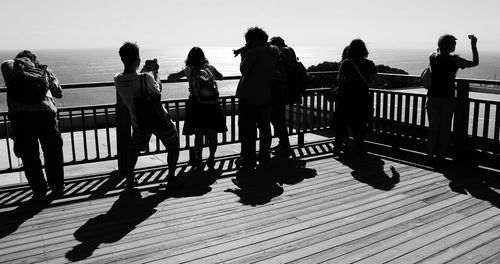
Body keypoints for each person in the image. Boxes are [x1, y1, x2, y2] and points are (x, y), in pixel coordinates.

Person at [114, 42, 181, 190]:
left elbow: (134, 80)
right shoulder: (147, 78)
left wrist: (145, 72)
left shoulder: (118, 79)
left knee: (133, 149)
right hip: (158, 119)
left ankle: (130, 179)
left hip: (139, 121)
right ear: (138, 59)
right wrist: (155, 72)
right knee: (173, 144)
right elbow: (158, 90)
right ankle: (171, 176)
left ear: (122, 59)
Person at [1, 50, 65, 202]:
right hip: (45, 113)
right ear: (33, 60)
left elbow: (5, 64)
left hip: (20, 117)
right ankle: (57, 188)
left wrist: (20, 62)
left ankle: (39, 192)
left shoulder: (9, 67)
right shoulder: (43, 69)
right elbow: (58, 93)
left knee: (30, 156)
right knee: (52, 152)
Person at [168, 47, 227, 170]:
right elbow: (220, 77)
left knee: (198, 134)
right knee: (212, 134)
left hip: (196, 105)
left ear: (189, 58)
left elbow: (171, 78)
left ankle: (199, 159)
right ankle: (211, 157)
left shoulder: (189, 70)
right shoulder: (209, 69)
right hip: (212, 105)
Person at [426, 34, 479, 164]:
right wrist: (473, 45)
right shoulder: (455, 60)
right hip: (447, 98)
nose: (455, 46)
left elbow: (437, 51)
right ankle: (441, 158)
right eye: (453, 44)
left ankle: (429, 157)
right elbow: (475, 62)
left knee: (433, 130)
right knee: (445, 130)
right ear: (450, 46)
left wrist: (441, 45)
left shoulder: (432, 56)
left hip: (432, 97)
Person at [235, 27, 279, 170]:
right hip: (266, 95)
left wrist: (244, 55)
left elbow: (244, 70)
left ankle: (248, 158)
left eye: (248, 41)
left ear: (253, 40)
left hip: (248, 96)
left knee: (247, 129)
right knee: (265, 127)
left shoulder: (253, 52)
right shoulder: (274, 50)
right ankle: (264, 155)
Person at [335, 39, 378, 156]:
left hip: (347, 97)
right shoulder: (370, 64)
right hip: (363, 97)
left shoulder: (346, 63)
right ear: (364, 50)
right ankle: (359, 149)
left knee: (342, 123)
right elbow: (376, 80)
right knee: (360, 125)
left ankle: (337, 148)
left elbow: (339, 79)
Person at [268, 36, 296, 157]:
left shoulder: (285, 51)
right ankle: (283, 143)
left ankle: (285, 145)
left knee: (277, 118)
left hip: (281, 90)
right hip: (282, 90)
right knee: (277, 118)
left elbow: (279, 66)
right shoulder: (289, 50)